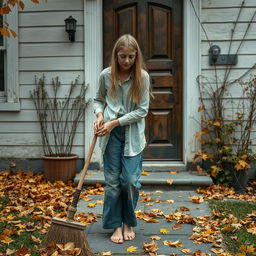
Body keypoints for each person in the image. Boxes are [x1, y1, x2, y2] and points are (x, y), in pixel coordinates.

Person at [93, 34, 150, 244]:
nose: (127, 61)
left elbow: (142, 111)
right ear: (115, 55)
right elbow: (98, 99)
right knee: (112, 184)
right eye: (123, 56)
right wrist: (100, 116)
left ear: (136, 57)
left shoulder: (142, 77)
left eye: (131, 57)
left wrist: (114, 123)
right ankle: (116, 225)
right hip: (110, 135)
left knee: (129, 181)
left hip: (132, 134)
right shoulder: (105, 76)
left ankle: (128, 221)